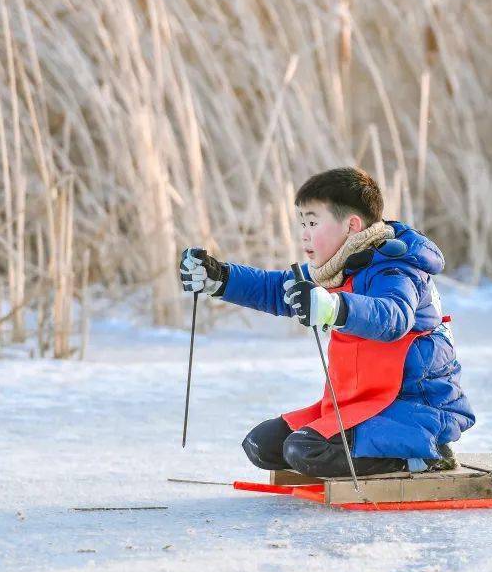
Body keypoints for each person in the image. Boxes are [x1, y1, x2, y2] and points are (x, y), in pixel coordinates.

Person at [179, 166, 475, 478]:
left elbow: (393, 316)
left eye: (313, 222)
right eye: (302, 223)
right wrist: (220, 278)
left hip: (414, 410)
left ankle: (425, 456)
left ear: (351, 225)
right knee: (262, 445)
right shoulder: (338, 265)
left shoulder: (394, 270)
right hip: (359, 404)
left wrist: (334, 307)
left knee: (305, 451)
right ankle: (370, 446)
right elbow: (277, 290)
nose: (304, 233)